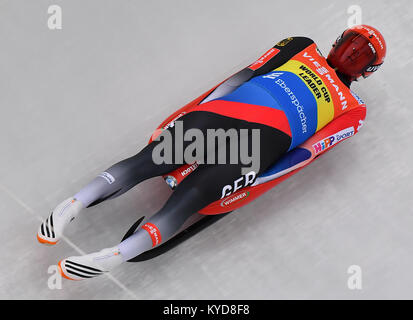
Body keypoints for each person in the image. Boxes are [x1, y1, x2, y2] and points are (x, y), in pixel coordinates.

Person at [37, 25, 386, 280]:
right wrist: (202, 109)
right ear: (339, 41)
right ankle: (74, 206)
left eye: (361, 53)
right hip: (230, 118)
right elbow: (247, 74)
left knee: (191, 195)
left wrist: (260, 176)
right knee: (154, 162)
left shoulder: (353, 110)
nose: (352, 54)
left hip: (255, 144)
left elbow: (307, 153)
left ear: (367, 70)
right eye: (353, 45)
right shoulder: (300, 45)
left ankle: (113, 251)